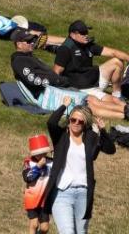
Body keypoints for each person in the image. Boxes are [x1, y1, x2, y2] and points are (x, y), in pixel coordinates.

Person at [10, 29, 129, 121]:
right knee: (88, 107)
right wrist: (58, 81)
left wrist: (59, 81)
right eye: (28, 41)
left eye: (32, 40)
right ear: (19, 44)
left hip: (57, 87)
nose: (32, 43)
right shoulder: (19, 61)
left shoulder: (27, 57)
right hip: (48, 94)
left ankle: (125, 110)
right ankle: (124, 115)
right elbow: (34, 81)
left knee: (91, 99)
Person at [44, 99, 116, 234]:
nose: (76, 123)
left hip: (83, 194)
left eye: (80, 121)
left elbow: (111, 149)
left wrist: (102, 130)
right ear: (69, 120)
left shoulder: (90, 138)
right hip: (62, 193)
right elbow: (51, 122)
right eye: (73, 120)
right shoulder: (61, 137)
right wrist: (64, 105)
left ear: (85, 123)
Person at [53, 21, 128, 101]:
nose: (86, 35)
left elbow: (113, 52)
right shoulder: (65, 49)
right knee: (113, 102)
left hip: (95, 79)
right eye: (82, 33)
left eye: (86, 32)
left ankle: (117, 95)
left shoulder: (88, 45)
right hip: (82, 87)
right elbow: (56, 71)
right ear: (72, 35)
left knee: (117, 62)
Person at [22, 134, 54, 234]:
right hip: (32, 198)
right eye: (38, 154)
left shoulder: (51, 162)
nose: (41, 156)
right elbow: (27, 177)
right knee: (34, 224)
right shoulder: (28, 162)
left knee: (45, 228)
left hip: (45, 200)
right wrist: (38, 166)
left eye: (43, 153)